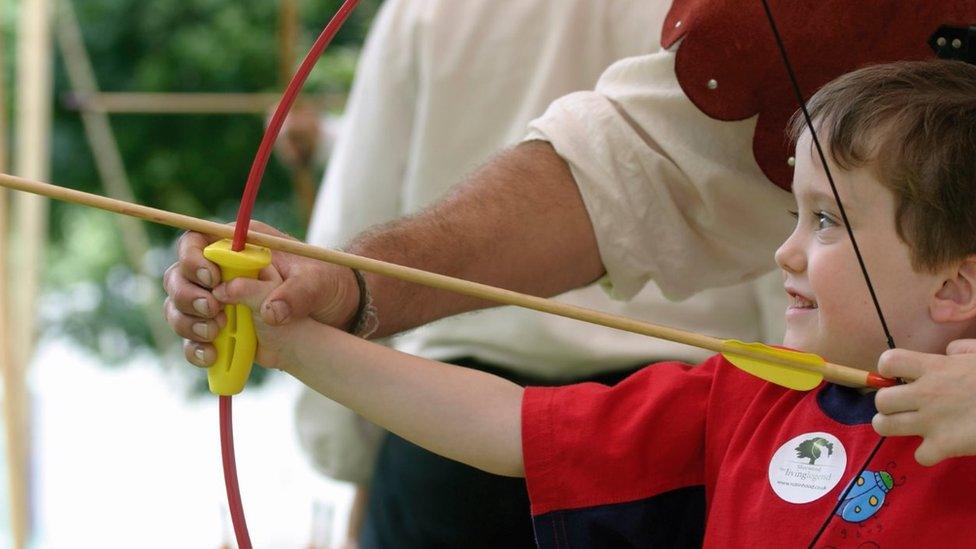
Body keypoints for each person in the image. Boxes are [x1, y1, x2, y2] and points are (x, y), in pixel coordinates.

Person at [178, 60, 976, 546]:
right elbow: (508, 425)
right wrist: (291, 340)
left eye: (829, 221)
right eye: (794, 214)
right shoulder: (750, 397)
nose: (787, 250)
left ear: (956, 287)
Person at [279, 0, 779, 546]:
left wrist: (350, 455)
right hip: (660, 442)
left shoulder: (428, 8)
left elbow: (360, 199)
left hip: (651, 426)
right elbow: (783, 222)